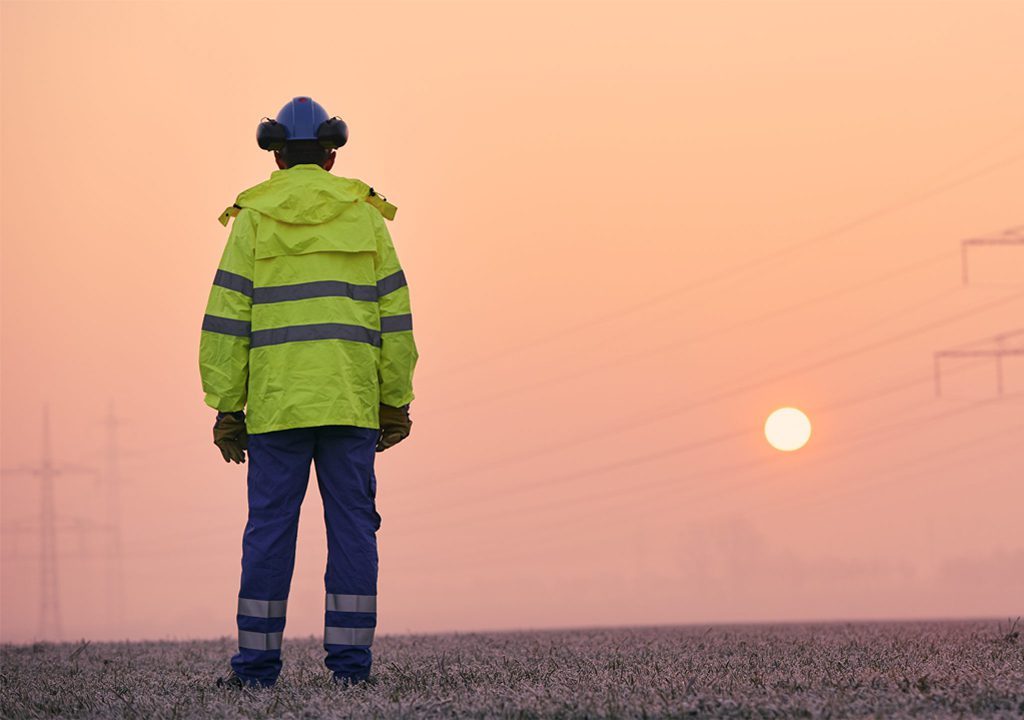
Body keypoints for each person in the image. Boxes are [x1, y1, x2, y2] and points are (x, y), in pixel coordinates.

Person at [198, 96, 418, 689]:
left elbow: (226, 318)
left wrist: (226, 406)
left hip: (275, 407)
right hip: (350, 402)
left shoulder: (253, 219)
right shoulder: (365, 216)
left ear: (275, 156)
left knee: (269, 531)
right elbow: (394, 317)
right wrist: (394, 398)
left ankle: (255, 671)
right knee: (352, 529)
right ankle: (351, 671)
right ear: (331, 153)